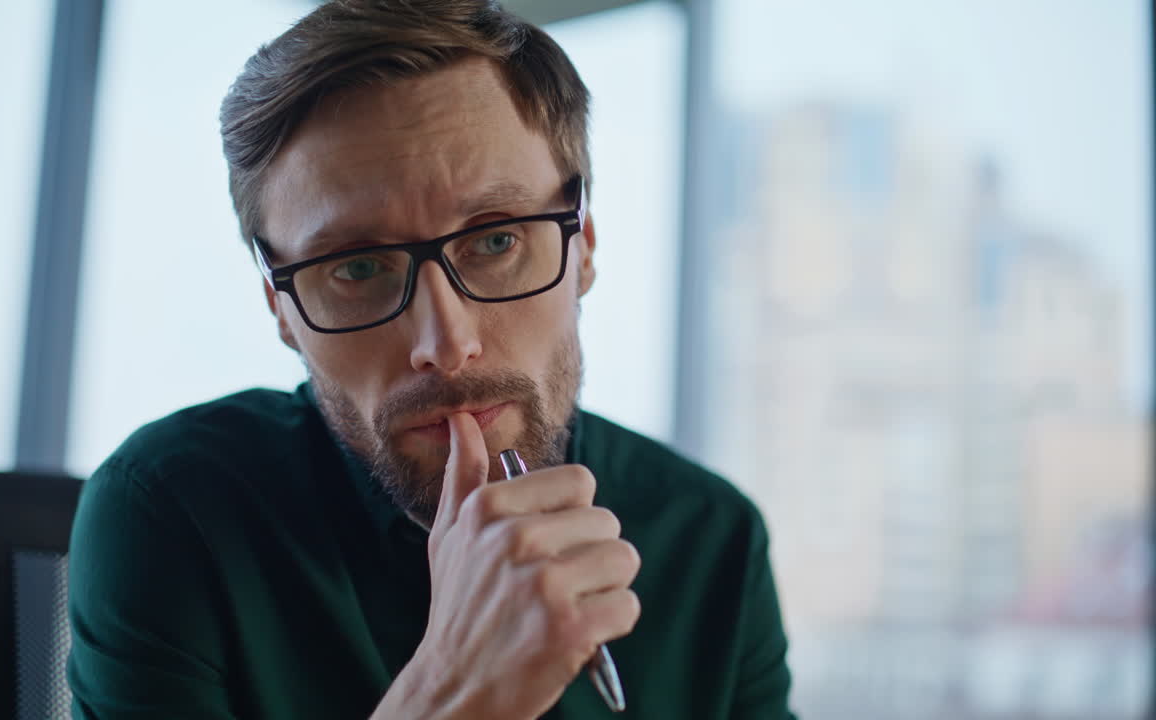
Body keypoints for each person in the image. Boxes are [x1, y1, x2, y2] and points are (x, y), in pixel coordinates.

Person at [66, 1, 796, 718]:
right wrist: (451, 690)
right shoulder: (171, 513)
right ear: (280, 308)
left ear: (585, 248)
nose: (446, 345)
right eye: (357, 269)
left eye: (497, 240)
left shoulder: (713, 542)